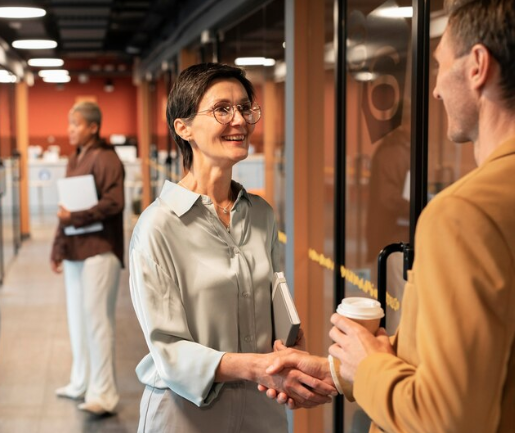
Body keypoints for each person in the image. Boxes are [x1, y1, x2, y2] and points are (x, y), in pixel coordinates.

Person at [325, 0, 515, 431]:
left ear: (478, 66)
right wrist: (341, 371)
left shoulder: (463, 214)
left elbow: (446, 418)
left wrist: (367, 366)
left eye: (440, 65)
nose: (435, 90)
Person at [128, 63, 337, 433]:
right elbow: (169, 351)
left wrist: (289, 352)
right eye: (222, 109)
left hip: (262, 412)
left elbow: (274, 304)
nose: (239, 119)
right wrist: (258, 367)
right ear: (184, 127)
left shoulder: (261, 215)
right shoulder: (157, 227)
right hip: (186, 416)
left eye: (245, 107)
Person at [50, 101, 125, 415]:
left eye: (76, 124)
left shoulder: (107, 159)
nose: (70, 130)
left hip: (99, 251)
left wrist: (75, 217)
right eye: (69, 124)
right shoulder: (75, 158)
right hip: (76, 252)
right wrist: (58, 247)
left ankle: (104, 394)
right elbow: (65, 210)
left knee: (97, 324)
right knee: (77, 320)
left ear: (93, 127)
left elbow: (114, 203)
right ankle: (80, 382)